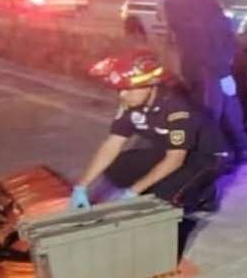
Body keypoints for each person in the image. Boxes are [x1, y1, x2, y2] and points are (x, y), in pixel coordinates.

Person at [71, 50, 229, 212]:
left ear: (150, 86)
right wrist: (81, 186)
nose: (122, 95)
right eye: (120, 90)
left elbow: (174, 160)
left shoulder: (177, 108)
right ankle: (169, 186)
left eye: (128, 89)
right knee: (117, 167)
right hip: (169, 150)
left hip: (206, 157)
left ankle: (204, 194)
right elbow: (112, 144)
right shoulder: (131, 105)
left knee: (162, 200)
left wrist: (131, 193)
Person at [155, 0, 247, 163]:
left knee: (229, 107)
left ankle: (241, 148)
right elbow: (202, 38)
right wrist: (221, 71)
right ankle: (211, 158)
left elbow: (209, 30)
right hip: (208, 67)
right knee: (210, 113)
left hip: (212, 65)